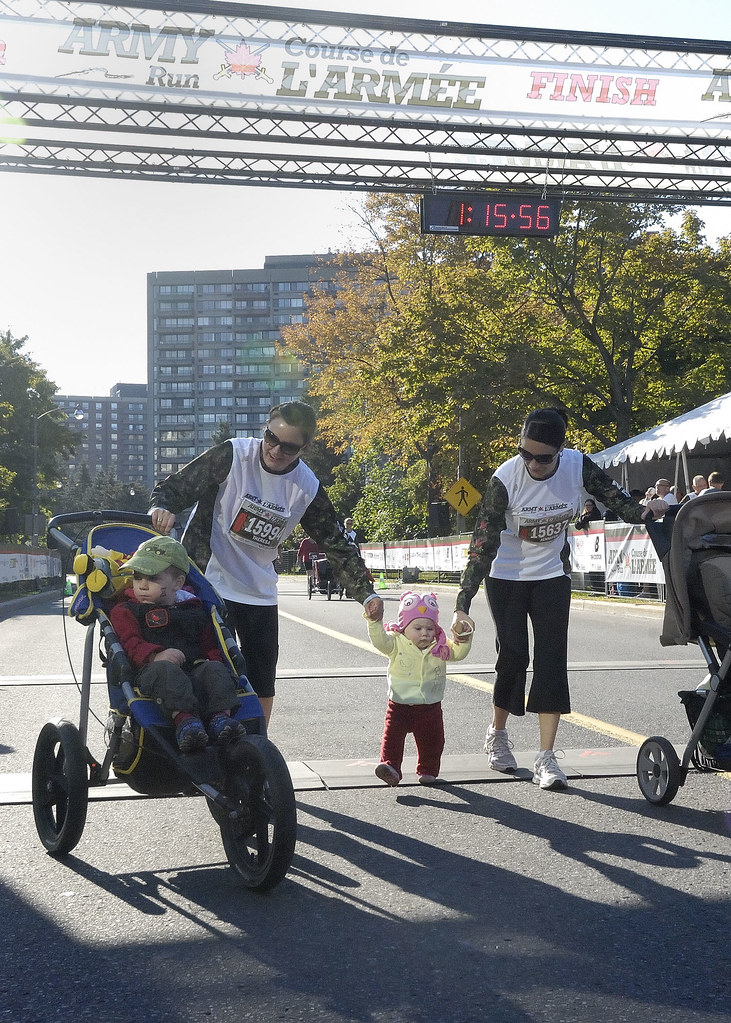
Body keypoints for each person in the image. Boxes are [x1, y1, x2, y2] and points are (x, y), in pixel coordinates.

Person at [451, 408, 669, 791]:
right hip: (506, 576)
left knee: (551, 659)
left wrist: (645, 511)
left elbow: (615, 498)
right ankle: (497, 734)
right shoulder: (505, 478)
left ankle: (545, 758)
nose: (533, 464)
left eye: (543, 457)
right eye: (525, 453)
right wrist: (462, 604)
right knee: (513, 657)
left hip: (552, 574)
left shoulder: (577, 467)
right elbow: (482, 544)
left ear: (561, 450)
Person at [148, 401, 383, 724]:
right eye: (271, 438)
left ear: (304, 448)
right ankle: (199, 733)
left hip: (258, 589)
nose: (275, 450)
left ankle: (257, 741)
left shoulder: (306, 486)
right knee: (207, 665)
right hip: (208, 581)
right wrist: (161, 507)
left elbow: (336, 542)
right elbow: (175, 487)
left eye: (288, 447)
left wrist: (366, 594)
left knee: (262, 677)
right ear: (266, 429)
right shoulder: (233, 455)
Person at [109, 535, 245, 752]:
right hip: (152, 671)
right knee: (165, 671)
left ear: (178, 583)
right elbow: (129, 643)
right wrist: (155, 656)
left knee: (215, 669)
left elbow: (209, 644)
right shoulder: (126, 610)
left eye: (152, 578)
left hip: (194, 669)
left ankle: (220, 719)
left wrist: (216, 663)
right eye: (137, 577)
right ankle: (186, 722)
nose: (142, 585)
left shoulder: (194, 608)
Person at [367, 591, 474, 786]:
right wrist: (374, 622)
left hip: (430, 705)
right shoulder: (396, 642)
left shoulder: (440, 645)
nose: (424, 633)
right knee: (392, 739)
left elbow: (458, 653)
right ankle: (390, 767)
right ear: (404, 627)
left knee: (433, 741)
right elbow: (379, 641)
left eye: (429, 628)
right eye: (417, 628)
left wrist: (464, 638)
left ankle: (428, 769)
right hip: (399, 704)